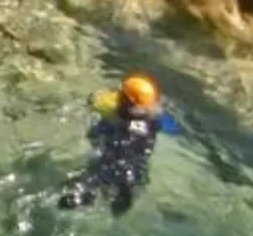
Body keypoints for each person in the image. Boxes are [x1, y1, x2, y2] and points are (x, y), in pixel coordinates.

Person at [58, 71, 180, 214]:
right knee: (123, 197)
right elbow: (174, 129)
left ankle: (79, 198)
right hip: (134, 169)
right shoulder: (156, 121)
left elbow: (92, 135)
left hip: (108, 163)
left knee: (82, 187)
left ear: (123, 100)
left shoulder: (114, 120)